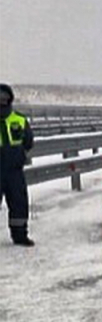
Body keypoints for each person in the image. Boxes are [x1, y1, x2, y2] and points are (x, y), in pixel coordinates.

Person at [0, 84, 34, 247]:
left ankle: (20, 235)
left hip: (14, 171)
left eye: (4, 98)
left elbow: (28, 141)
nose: (2, 101)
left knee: (19, 204)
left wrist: (17, 155)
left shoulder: (19, 119)